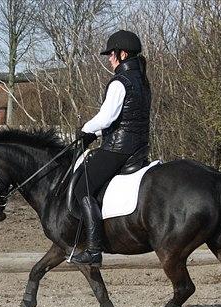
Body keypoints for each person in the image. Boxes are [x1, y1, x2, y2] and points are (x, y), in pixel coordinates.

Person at [70, 29, 152, 267]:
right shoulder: (142, 82)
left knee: (82, 186)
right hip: (138, 148)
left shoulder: (120, 82)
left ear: (122, 54)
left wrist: (85, 130)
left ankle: (94, 249)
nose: (109, 59)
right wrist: (95, 132)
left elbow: (107, 118)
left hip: (118, 149)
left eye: (111, 54)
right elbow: (123, 118)